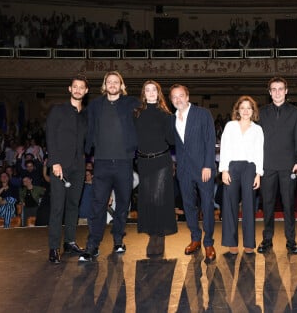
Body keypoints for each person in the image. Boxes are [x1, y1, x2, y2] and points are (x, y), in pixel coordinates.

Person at [79, 71, 139, 262]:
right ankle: (93, 245)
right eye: (109, 82)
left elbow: (148, 115)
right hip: (102, 162)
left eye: (116, 82)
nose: (112, 85)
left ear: (121, 85)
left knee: (122, 204)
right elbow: (85, 127)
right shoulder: (95, 105)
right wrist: (83, 151)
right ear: (105, 85)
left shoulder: (131, 103)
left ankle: (118, 240)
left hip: (124, 162)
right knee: (97, 205)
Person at [170, 84, 217, 262]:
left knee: (206, 206)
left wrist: (207, 165)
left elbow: (209, 139)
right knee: (189, 206)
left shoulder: (202, 114)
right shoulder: (172, 119)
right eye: (174, 97)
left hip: (203, 168)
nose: (178, 99)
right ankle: (195, 238)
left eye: (181, 95)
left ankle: (209, 242)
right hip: (183, 170)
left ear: (187, 97)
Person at [257, 77, 297, 255]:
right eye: (274, 89)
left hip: (288, 166)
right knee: (267, 205)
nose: (277, 92)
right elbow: (256, 141)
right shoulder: (260, 113)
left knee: (288, 204)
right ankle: (267, 239)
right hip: (266, 165)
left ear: (286, 91)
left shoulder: (295, 112)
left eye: (280, 89)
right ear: (269, 92)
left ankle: (291, 240)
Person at [46, 74, 89, 264]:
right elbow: (50, 136)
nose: (78, 89)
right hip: (60, 167)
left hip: (79, 167)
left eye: (82, 87)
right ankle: (54, 247)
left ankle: (69, 242)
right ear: (70, 89)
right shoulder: (58, 110)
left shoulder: (85, 116)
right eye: (75, 86)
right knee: (57, 207)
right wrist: (54, 162)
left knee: (73, 205)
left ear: (86, 91)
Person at [134, 80, 177, 256]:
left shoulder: (166, 115)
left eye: (154, 90)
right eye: (147, 90)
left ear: (158, 93)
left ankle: (159, 236)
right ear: (143, 94)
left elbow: (172, 140)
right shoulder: (137, 113)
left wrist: (176, 123)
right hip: (143, 162)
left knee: (159, 198)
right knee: (148, 200)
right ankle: (152, 233)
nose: (151, 93)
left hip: (161, 161)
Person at [219, 96, 263, 254]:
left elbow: (260, 152)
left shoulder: (257, 129)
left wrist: (258, 173)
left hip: (250, 168)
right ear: (237, 110)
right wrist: (224, 169)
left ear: (253, 111)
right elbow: (224, 148)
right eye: (242, 107)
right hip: (232, 166)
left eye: (249, 108)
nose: (245, 111)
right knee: (230, 205)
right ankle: (231, 242)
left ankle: (249, 243)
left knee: (249, 205)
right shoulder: (230, 126)